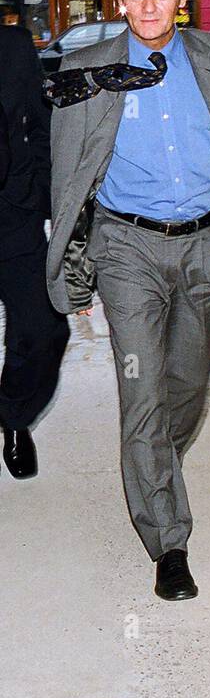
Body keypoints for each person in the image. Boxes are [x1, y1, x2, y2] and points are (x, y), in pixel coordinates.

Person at [45, 0, 210, 599]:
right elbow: (67, 175)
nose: (149, 6)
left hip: (207, 246)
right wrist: (74, 264)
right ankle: (168, 540)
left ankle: (154, 459)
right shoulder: (89, 69)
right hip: (128, 251)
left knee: (186, 385)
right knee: (146, 388)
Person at [0, 24, 70, 479]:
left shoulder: (13, 46)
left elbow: (44, 124)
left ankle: (13, 416)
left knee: (44, 329)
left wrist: (39, 190)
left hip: (13, 217)